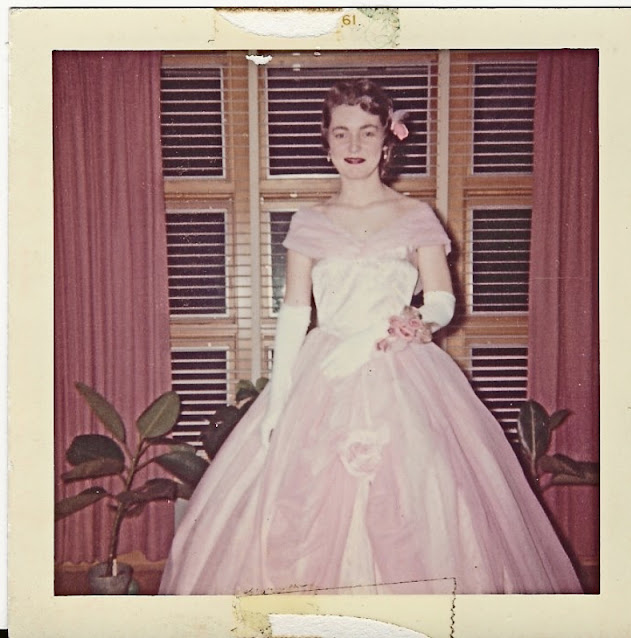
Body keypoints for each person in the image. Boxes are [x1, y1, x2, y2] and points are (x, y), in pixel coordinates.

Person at [159, 79, 583, 595]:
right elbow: (294, 313)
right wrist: (277, 403)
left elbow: (442, 300)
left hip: (400, 369)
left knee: (419, 501)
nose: (354, 145)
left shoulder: (415, 216)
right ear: (327, 143)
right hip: (326, 372)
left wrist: (415, 322)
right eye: (342, 133)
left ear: (386, 142)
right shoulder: (310, 221)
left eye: (367, 132)